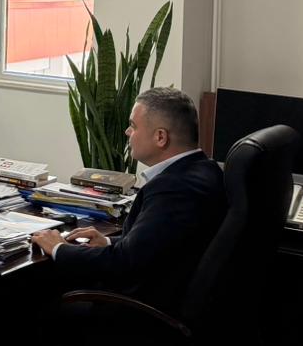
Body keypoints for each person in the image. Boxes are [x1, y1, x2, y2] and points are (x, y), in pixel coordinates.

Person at [32, 87, 227, 313]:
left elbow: (124, 263)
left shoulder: (174, 189)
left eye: (133, 126)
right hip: (165, 292)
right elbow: (155, 245)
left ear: (160, 137)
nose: (126, 132)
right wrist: (108, 242)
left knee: (32, 300)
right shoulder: (206, 170)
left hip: (141, 311)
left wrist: (59, 248)